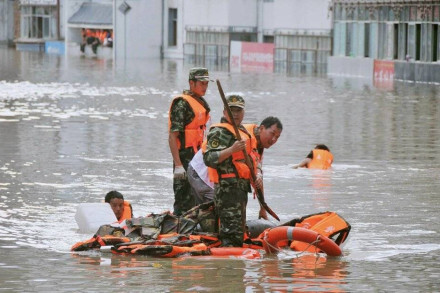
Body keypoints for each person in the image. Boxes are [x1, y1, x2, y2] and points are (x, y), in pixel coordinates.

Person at [188, 116, 283, 219]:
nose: (273, 139)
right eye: (272, 134)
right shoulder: (244, 137)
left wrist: (262, 208)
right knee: (217, 215)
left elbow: (256, 177)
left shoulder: (258, 144)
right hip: (202, 173)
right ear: (261, 128)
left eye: (277, 137)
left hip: (215, 177)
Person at [203, 95, 258, 247]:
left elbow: (253, 157)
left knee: (238, 231)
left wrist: (256, 175)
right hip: (227, 190)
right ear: (224, 112)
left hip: (240, 189)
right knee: (230, 233)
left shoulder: (241, 131)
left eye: (238, 110)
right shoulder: (219, 132)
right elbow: (209, 158)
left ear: (243, 112)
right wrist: (231, 149)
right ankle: (229, 268)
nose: (235, 114)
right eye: (231, 110)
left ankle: (235, 267)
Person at [168, 68, 211, 216]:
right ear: (191, 83)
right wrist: (178, 165)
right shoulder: (182, 104)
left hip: (199, 156)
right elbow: (173, 136)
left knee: (196, 196)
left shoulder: (201, 102)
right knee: (183, 197)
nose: (205, 87)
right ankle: (179, 225)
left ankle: (195, 226)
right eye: (202, 83)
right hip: (184, 157)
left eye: (206, 83)